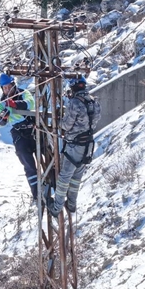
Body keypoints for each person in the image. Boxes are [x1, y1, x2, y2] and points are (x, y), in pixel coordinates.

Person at [53, 75, 101, 217]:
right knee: (76, 178)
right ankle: (72, 204)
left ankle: (56, 207)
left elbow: (66, 125)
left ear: (73, 87)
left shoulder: (74, 102)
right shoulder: (94, 101)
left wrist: (60, 122)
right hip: (88, 145)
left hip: (74, 146)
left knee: (64, 178)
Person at [0, 73, 39, 202]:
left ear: (13, 84)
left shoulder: (24, 93)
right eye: (4, 88)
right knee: (28, 164)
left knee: (46, 154)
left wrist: (15, 104)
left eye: (8, 86)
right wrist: (3, 118)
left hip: (33, 128)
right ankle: (36, 194)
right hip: (19, 133)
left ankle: (52, 182)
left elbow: (30, 104)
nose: (7, 90)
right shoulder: (1, 105)